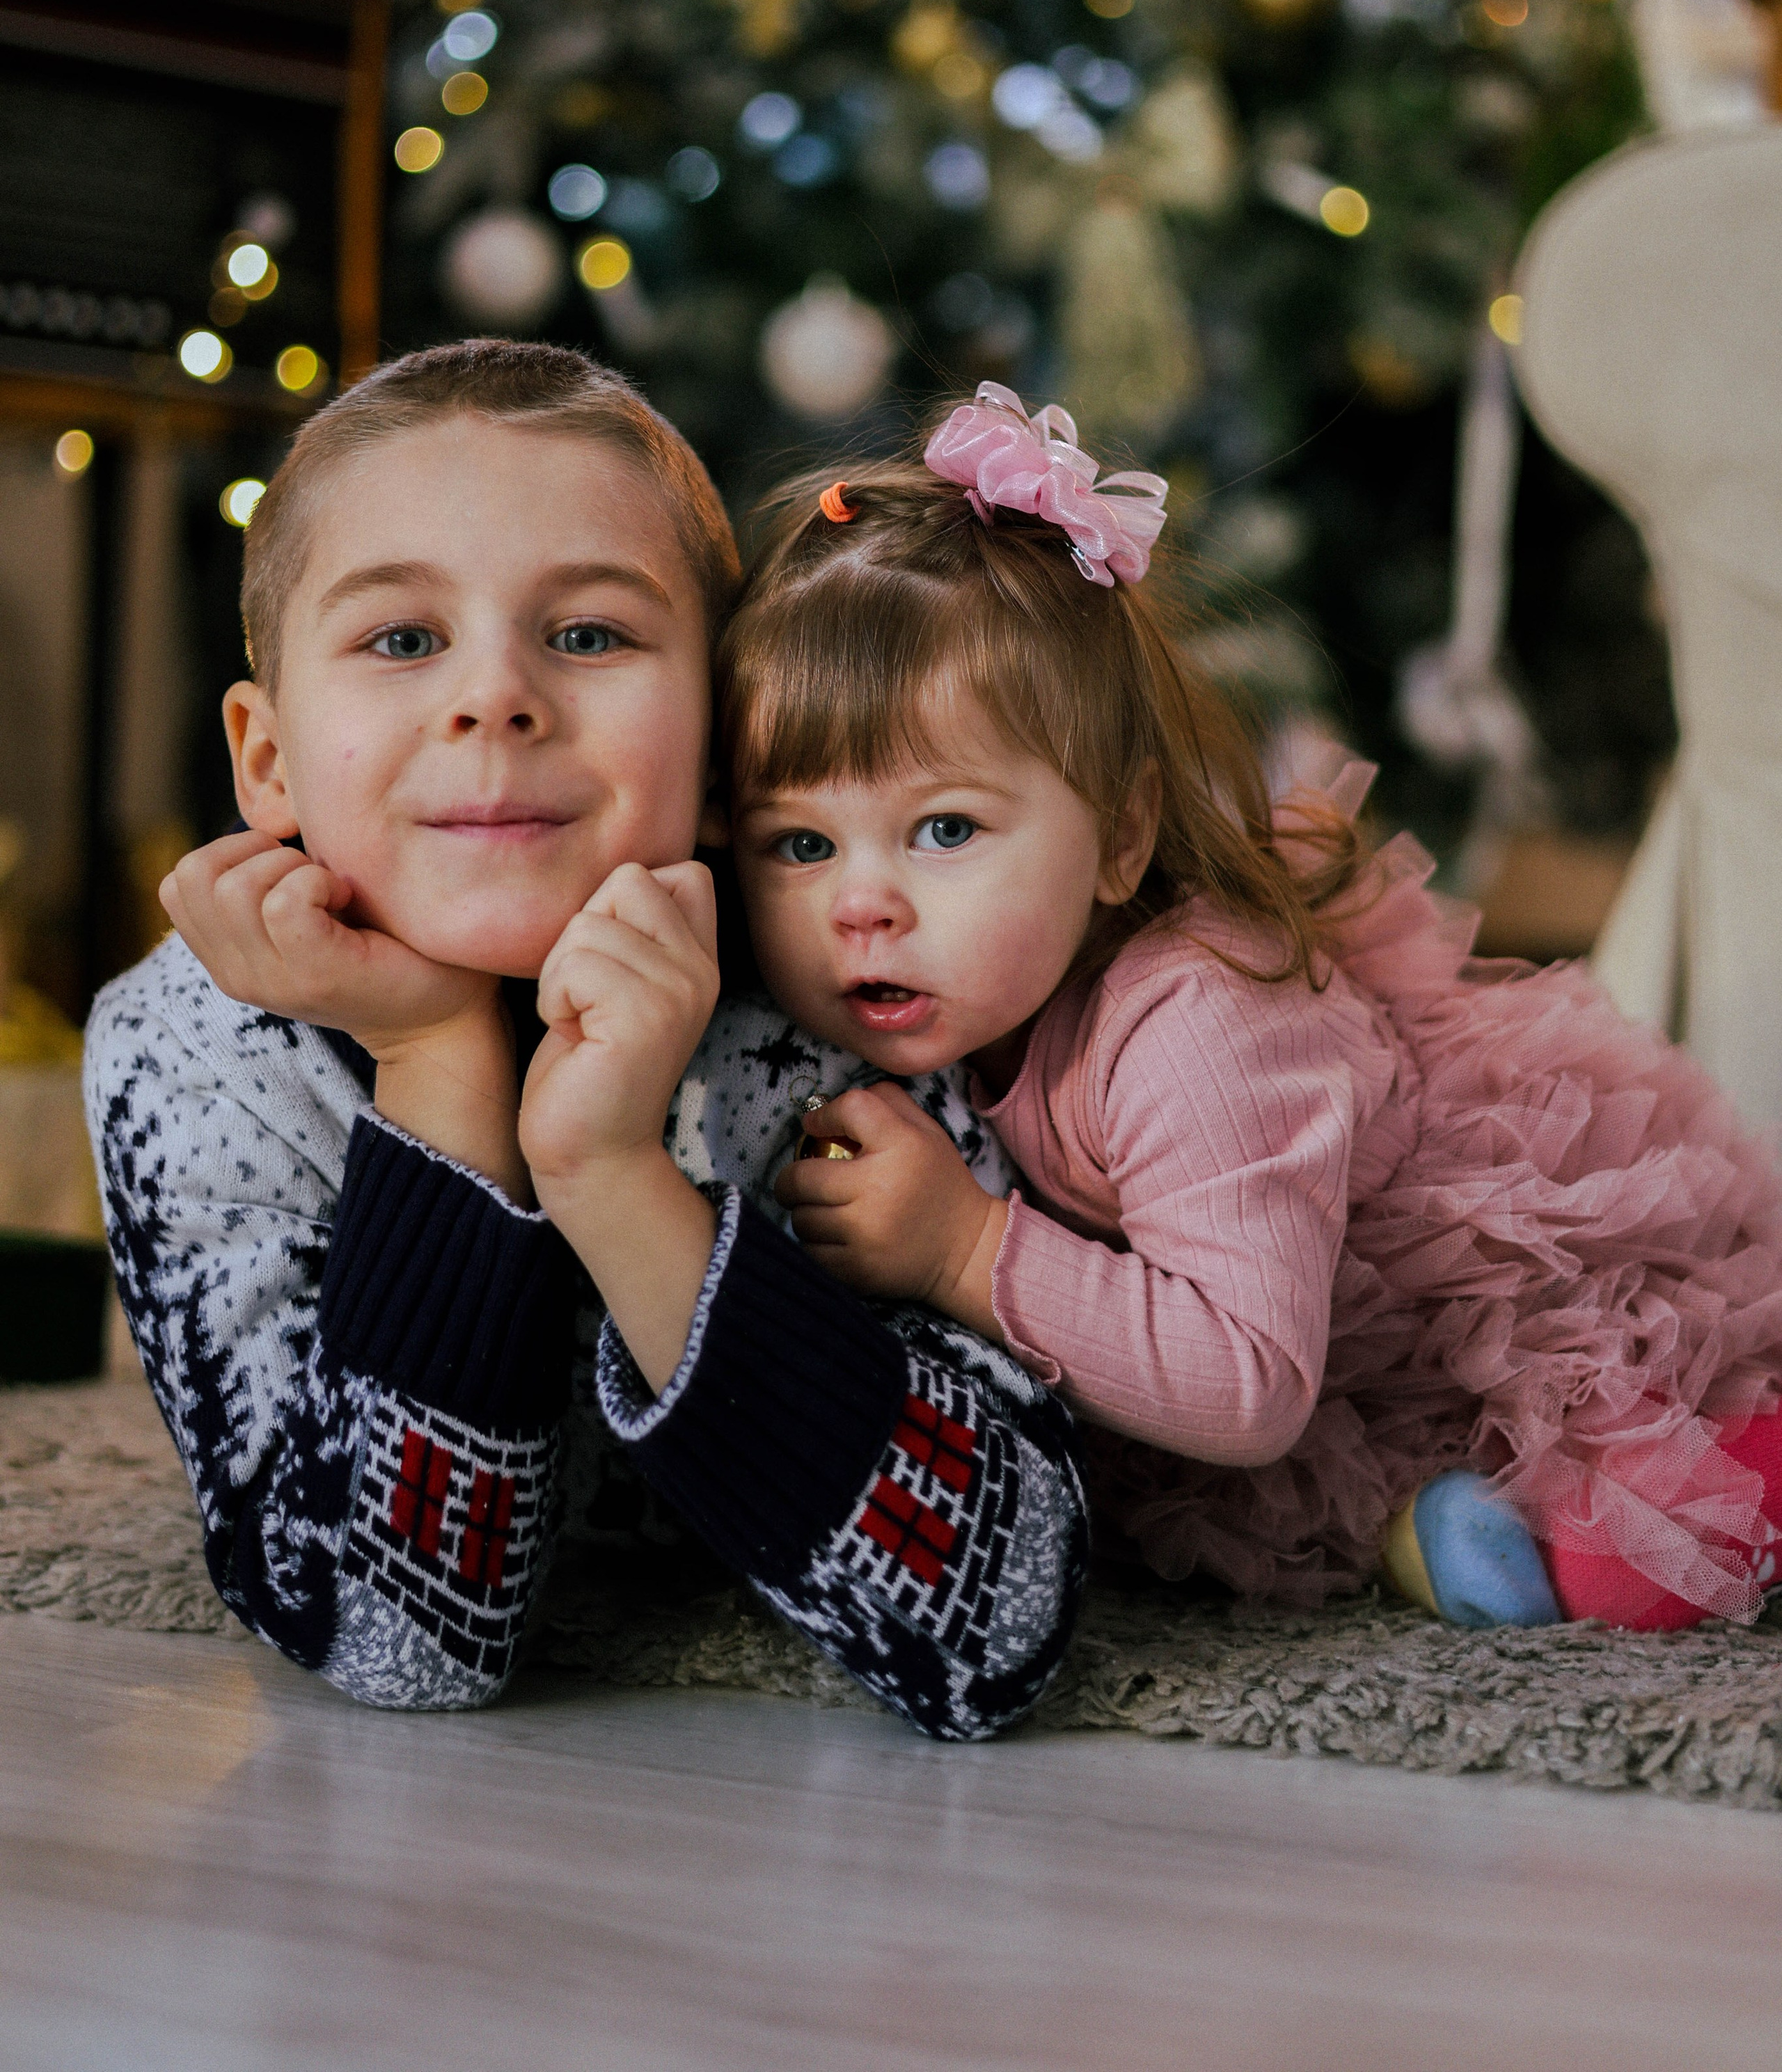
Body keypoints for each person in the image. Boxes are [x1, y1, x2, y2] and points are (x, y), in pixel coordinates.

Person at [83, 342, 1087, 1732]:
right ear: (267, 761)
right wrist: (440, 1057)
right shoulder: (190, 1051)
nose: (495, 696)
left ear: (726, 750)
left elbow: (993, 1623)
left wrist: (610, 1168)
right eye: (401, 639)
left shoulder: (841, 980)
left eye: (588, 635)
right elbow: (394, 1645)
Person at [721, 382, 1782, 1633]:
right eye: (797, 845)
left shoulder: (1197, 1023)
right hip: (1331, 1357)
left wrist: (964, 1249)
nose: (862, 905)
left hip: (1530, 1318)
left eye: (943, 829)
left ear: (1120, 841)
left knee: (1655, 1541)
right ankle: (1457, 1525)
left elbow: (1248, 1384)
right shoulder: (910, 1005)